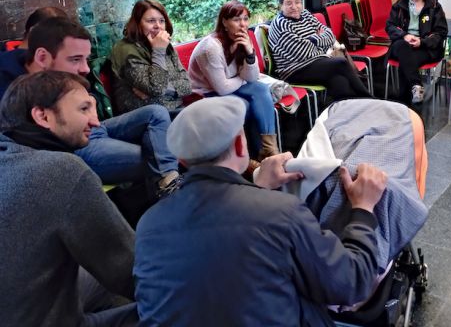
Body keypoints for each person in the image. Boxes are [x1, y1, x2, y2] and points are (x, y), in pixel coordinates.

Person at [134, 96, 387, 325]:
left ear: (182, 161)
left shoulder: (148, 225)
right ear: (240, 145)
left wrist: (257, 188)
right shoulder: (281, 212)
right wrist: (363, 209)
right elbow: (352, 283)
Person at [0, 71, 136, 326]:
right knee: (178, 298)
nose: (96, 122)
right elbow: (133, 273)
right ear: (43, 116)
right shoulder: (62, 170)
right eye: (84, 109)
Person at [0, 16, 181, 198]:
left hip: (94, 128)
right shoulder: (10, 87)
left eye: (86, 59)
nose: (86, 69)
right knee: (160, 157)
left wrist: (89, 105)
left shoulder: (55, 71)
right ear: (42, 57)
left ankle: (167, 180)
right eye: (76, 59)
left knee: (156, 113)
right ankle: (169, 190)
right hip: (71, 144)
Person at [189, 0, 279, 164]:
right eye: (237, 20)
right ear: (224, 22)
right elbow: (222, 88)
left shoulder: (242, 39)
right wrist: (242, 77)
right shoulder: (210, 48)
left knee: (259, 89)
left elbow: (252, 77)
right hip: (205, 95)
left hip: (229, 87)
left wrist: (250, 53)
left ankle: (269, 149)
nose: (243, 24)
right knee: (246, 105)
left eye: (245, 19)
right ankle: (246, 159)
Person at [268, 0, 371, 101]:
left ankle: (352, 111)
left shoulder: (305, 14)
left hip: (317, 63)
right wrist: (319, 39)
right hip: (294, 71)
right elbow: (303, 53)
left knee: (339, 81)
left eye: (297, 2)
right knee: (341, 62)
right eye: (288, 3)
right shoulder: (280, 25)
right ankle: (369, 98)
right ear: (281, 6)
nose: (294, 7)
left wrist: (314, 40)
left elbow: (331, 35)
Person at [110, 0, 191, 115]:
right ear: (137, 24)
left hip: (176, 110)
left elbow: (187, 86)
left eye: (162, 21)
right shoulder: (126, 49)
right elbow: (156, 88)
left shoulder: (166, 45)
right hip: (145, 117)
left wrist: (165, 91)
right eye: (151, 21)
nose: (158, 26)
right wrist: (158, 51)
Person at [386, 0, 448, 105]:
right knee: (403, 48)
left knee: (407, 62)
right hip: (402, 44)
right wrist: (404, 35)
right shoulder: (399, 5)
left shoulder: (435, 6)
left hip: (426, 48)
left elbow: (441, 32)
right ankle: (416, 85)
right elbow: (390, 26)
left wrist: (422, 42)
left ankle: (404, 105)